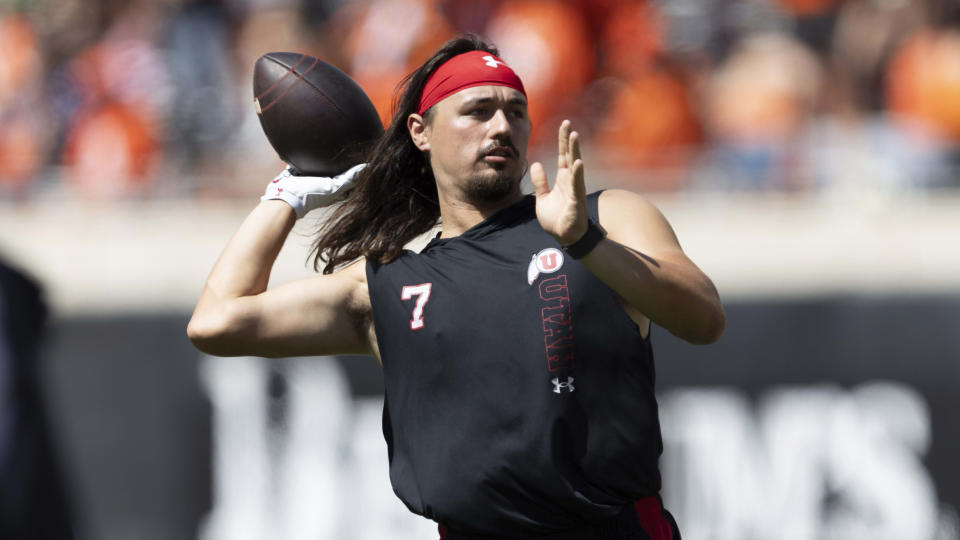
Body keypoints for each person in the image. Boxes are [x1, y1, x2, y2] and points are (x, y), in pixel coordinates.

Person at [188, 34, 725, 540]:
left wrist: (586, 243)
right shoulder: (392, 281)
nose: (501, 128)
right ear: (421, 132)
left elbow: (703, 319)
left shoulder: (604, 217)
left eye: (515, 112)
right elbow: (216, 322)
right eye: (477, 111)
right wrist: (289, 194)